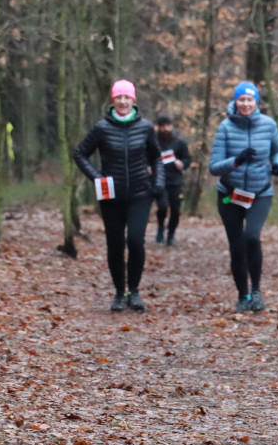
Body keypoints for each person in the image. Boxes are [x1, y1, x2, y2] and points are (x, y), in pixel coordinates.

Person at [74, 79, 164, 312]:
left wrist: (158, 183)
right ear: (112, 100)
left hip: (139, 193)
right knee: (115, 245)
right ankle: (118, 292)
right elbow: (80, 154)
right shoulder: (101, 128)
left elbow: (157, 157)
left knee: (135, 241)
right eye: (118, 97)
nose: (123, 101)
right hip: (110, 195)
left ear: (133, 100)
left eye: (127, 97)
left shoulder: (145, 127)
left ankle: (134, 291)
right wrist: (97, 178)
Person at [208, 81, 278, 312]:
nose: (246, 104)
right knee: (237, 245)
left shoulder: (269, 125)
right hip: (230, 194)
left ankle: (257, 292)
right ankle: (243, 295)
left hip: (260, 192)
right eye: (242, 100)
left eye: (250, 100)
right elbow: (213, 167)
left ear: (256, 102)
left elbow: (277, 150)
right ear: (235, 101)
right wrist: (237, 161)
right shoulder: (225, 128)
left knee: (251, 236)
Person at [152, 112, 192, 246]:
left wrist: (181, 164)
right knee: (162, 206)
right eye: (163, 126)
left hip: (175, 180)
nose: (166, 129)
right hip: (159, 179)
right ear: (159, 127)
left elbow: (187, 158)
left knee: (175, 209)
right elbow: (147, 157)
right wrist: (149, 168)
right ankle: (160, 228)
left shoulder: (179, 142)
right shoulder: (154, 141)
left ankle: (171, 235)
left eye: (168, 125)